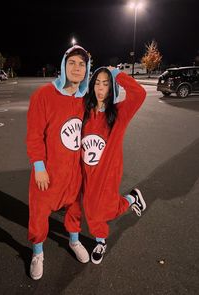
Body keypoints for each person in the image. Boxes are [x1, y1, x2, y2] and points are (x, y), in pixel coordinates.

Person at [26, 45, 91, 280]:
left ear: (87, 70)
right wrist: (39, 166)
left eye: (82, 64)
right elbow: (34, 136)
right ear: (64, 66)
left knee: (75, 208)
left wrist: (115, 76)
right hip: (49, 172)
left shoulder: (87, 100)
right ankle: (37, 252)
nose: (77, 68)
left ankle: (74, 241)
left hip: (75, 172)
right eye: (72, 62)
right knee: (39, 213)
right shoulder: (43, 96)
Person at [80, 66, 147, 264]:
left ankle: (101, 241)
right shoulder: (84, 111)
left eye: (106, 84)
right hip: (87, 172)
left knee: (99, 211)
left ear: (112, 88)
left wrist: (117, 74)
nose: (100, 89)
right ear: (92, 86)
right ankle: (131, 198)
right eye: (97, 83)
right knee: (95, 208)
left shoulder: (119, 113)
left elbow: (140, 94)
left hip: (109, 171)